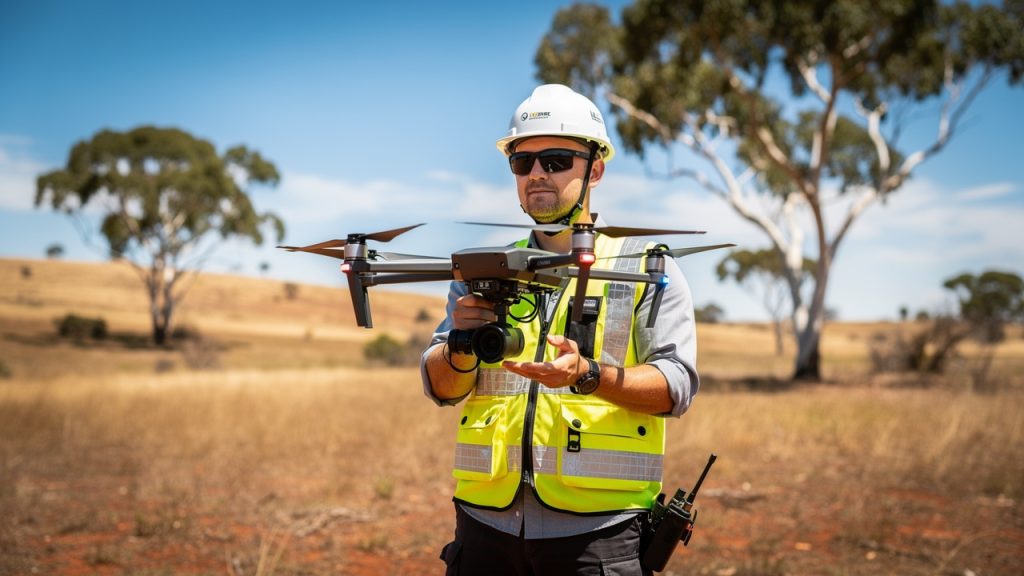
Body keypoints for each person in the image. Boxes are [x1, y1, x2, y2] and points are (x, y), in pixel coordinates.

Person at [420, 84, 699, 575]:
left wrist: (589, 374)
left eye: (555, 160)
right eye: (522, 163)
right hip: (483, 528)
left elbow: (675, 387)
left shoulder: (646, 266)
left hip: (598, 538)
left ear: (596, 169)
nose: (536, 175)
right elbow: (441, 388)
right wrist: (461, 347)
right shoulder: (484, 267)